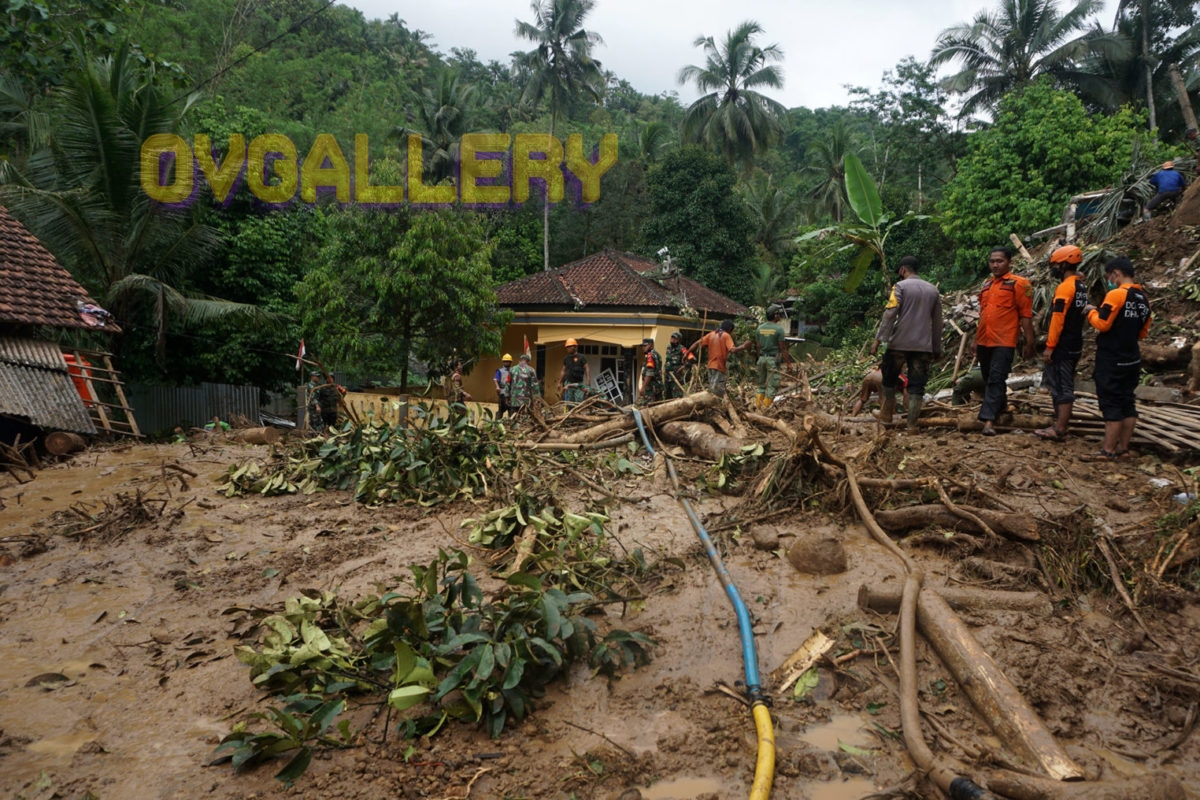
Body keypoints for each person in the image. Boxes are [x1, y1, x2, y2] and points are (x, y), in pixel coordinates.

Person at [1085, 256, 1151, 459]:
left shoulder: (1116, 295)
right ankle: (1123, 447)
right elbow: (1143, 333)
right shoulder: (1142, 299)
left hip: (1112, 357)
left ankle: (1108, 450)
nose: (1109, 280)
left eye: (1109, 276)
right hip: (1132, 357)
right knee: (1127, 402)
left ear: (1116, 274)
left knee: (1111, 402)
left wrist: (1091, 312)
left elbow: (1103, 324)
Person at [870, 256, 942, 429]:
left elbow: (890, 314)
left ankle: (886, 416)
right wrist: (936, 347)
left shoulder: (900, 287)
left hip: (899, 344)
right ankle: (912, 425)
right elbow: (938, 322)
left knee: (889, 379)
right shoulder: (933, 290)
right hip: (923, 346)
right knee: (917, 386)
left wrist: (878, 340)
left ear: (903, 270)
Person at [974, 247, 1036, 436]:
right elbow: (983, 314)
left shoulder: (1019, 284)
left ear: (1010, 262)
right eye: (992, 261)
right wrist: (974, 339)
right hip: (985, 340)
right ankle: (1001, 408)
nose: (995, 265)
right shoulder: (986, 286)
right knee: (988, 377)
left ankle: (988, 421)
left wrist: (1029, 341)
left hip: (1005, 340)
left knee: (996, 377)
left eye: (999, 261)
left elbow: (1025, 315)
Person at [1036, 245, 1089, 441]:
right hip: (1075, 341)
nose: (1054, 269)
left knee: (1062, 385)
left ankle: (1059, 428)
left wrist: (1050, 346)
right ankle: (1060, 423)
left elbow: (1057, 320)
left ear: (1065, 264)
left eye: (1056, 265)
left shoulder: (1065, 287)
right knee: (1062, 383)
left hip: (1063, 344)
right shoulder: (1081, 286)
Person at [687, 319, 747, 398]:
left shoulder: (711, 334)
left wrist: (686, 354)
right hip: (718, 366)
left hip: (710, 366)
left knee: (713, 388)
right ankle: (722, 404)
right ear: (729, 329)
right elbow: (733, 350)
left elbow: (696, 343)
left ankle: (718, 403)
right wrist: (744, 346)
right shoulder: (726, 335)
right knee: (717, 390)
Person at [753, 304, 790, 408]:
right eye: (779, 314)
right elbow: (782, 348)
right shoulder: (779, 330)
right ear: (775, 315)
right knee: (772, 386)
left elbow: (758, 346)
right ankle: (765, 411)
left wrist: (759, 359)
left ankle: (757, 408)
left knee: (761, 386)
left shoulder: (759, 328)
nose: (780, 316)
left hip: (761, 358)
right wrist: (788, 364)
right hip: (773, 360)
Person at [558, 338, 590, 404]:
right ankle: (570, 413)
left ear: (575, 347)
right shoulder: (566, 358)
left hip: (578, 384)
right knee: (569, 402)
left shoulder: (581, 357)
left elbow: (587, 368)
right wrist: (559, 382)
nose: (568, 348)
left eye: (570, 346)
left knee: (578, 401)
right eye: (567, 347)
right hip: (569, 383)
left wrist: (588, 381)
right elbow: (563, 371)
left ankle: (577, 413)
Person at [663, 331, 693, 399]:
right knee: (667, 396)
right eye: (672, 338)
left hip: (676, 377)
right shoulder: (669, 347)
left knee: (677, 397)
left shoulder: (682, 349)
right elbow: (667, 360)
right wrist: (664, 368)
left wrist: (683, 367)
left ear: (679, 340)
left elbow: (691, 359)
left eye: (675, 338)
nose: (672, 340)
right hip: (667, 377)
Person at [637, 337, 664, 404]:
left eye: (645, 346)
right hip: (658, 386)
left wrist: (643, 387)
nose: (643, 348)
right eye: (642, 346)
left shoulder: (650, 356)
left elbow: (649, 373)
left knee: (648, 408)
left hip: (651, 388)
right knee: (658, 407)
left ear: (651, 345)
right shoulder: (657, 354)